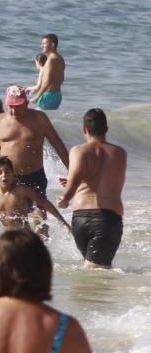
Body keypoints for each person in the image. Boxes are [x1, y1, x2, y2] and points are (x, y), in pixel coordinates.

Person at [0, 86, 69, 233]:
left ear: (26, 103)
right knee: (11, 219)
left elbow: (57, 144)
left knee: (39, 215)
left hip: (35, 175)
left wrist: (72, 171)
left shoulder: (39, 119)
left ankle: (41, 248)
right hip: (9, 177)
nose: (13, 110)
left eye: (18, 106)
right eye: (11, 106)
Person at [57, 108, 127, 269]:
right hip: (107, 220)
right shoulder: (119, 153)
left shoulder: (78, 151)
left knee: (93, 269)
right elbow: (107, 177)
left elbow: (75, 178)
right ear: (106, 129)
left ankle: (84, 295)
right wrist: (71, 186)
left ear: (84, 129)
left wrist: (65, 198)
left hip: (80, 220)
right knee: (96, 270)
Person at [0, 158, 69, 250]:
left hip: (24, 236)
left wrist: (63, 221)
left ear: (13, 174)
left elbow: (44, 203)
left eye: (7, 172)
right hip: (7, 237)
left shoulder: (22, 190)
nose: (4, 175)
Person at [31, 34, 65, 111]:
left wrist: (37, 97)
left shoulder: (50, 60)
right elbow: (62, 78)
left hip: (48, 95)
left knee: (38, 119)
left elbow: (47, 81)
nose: (41, 46)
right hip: (57, 95)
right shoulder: (60, 58)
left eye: (44, 43)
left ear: (52, 44)